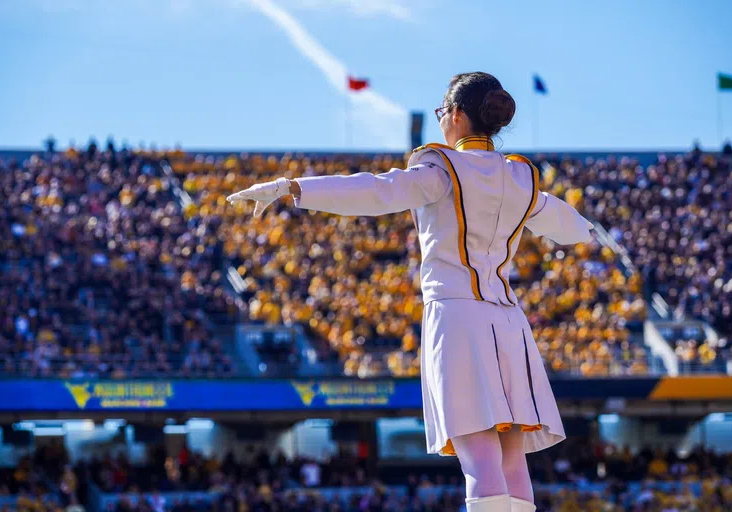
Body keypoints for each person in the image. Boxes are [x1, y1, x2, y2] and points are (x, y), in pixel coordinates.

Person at [227, 72, 593, 512]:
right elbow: (570, 226)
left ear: (457, 114)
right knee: (512, 457)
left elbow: (374, 191)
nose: (442, 119)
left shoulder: (442, 167)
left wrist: (293, 188)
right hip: (508, 321)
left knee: (478, 455)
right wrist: (592, 230)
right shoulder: (520, 176)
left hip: (458, 318)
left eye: (443, 112)